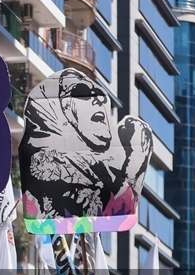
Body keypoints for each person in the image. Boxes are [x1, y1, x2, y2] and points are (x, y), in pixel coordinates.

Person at [21, 70, 152, 223]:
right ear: (65, 109)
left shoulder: (105, 170)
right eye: (83, 93)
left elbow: (117, 211)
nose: (98, 100)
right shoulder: (47, 162)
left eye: (100, 96)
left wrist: (134, 167)